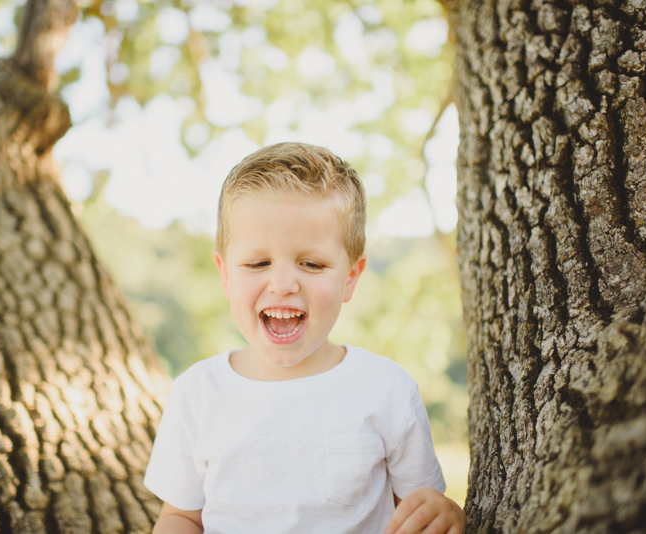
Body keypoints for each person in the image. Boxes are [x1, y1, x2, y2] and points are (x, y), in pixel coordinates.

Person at [143, 142, 466, 534]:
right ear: (225, 274)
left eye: (312, 264)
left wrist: (448, 515)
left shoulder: (387, 390)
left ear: (350, 277)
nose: (281, 284)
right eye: (258, 263)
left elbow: (418, 510)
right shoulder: (196, 394)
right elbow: (180, 517)